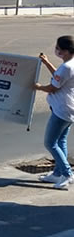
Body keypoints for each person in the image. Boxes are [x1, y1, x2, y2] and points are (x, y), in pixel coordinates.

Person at [35, 35, 74, 189]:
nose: (56, 50)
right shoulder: (69, 65)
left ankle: (66, 173)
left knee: (50, 143)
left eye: (58, 48)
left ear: (64, 51)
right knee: (60, 141)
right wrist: (47, 63)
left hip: (61, 110)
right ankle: (58, 173)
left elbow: (53, 87)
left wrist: (37, 87)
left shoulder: (67, 67)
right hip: (69, 109)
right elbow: (58, 77)